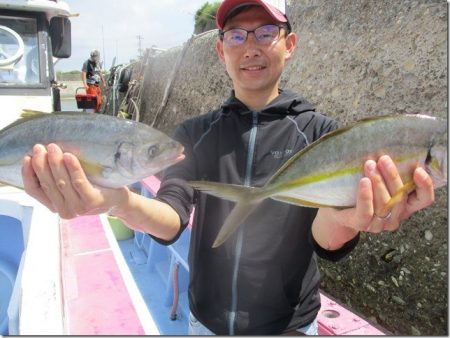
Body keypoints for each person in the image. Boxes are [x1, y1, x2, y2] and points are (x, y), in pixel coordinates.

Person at [22, 0, 436, 335]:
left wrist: (352, 218)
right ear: (221, 50)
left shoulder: (322, 135)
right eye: (236, 35)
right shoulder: (196, 132)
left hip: (290, 326)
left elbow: (325, 237)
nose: (250, 46)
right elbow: (170, 220)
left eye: (266, 32)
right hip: (207, 322)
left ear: (289, 44)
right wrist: (118, 200)